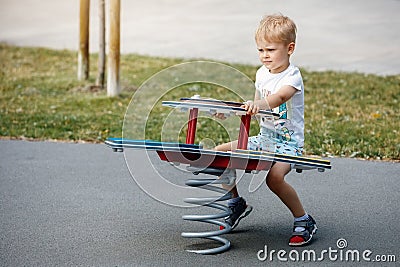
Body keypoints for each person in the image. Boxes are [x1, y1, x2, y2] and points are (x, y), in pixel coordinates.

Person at [214, 14, 317, 246]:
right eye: (260, 50)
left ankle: (304, 219)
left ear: (290, 48)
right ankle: (235, 203)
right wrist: (233, 110)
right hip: (264, 138)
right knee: (218, 154)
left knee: (274, 178)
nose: (265, 56)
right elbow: (255, 108)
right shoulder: (261, 74)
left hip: (288, 144)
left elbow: (279, 97)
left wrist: (256, 105)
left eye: (270, 50)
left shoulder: (292, 77)